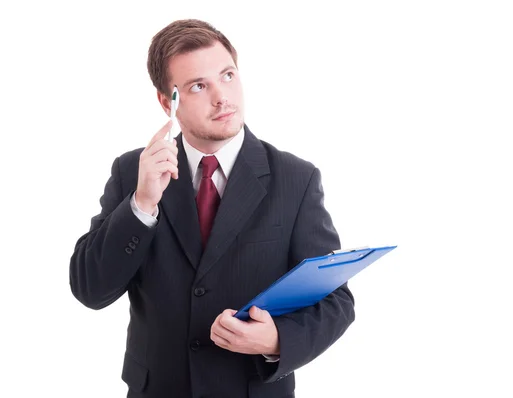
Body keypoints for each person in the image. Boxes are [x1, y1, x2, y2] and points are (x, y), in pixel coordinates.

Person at [69, 18, 355, 398]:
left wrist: (276, 340)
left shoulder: (295, 178)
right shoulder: (132, 172)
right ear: (166, 101)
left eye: (228, 75)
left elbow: (336, 301)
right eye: (199, 86)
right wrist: (141, 205)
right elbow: (91, 289)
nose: (222, 97)